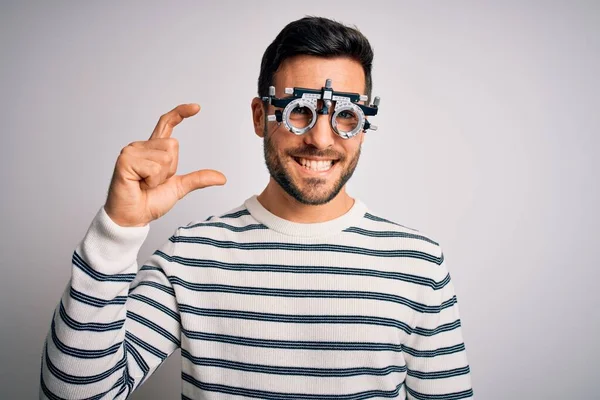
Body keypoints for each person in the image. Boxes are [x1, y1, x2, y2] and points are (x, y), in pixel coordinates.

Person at [40, 16, 473, 400]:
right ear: (260, 115)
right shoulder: (192, 255)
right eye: (299, 111)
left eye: (345, 116)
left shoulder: (418, 264)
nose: (322, 140)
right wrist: (117, 232)